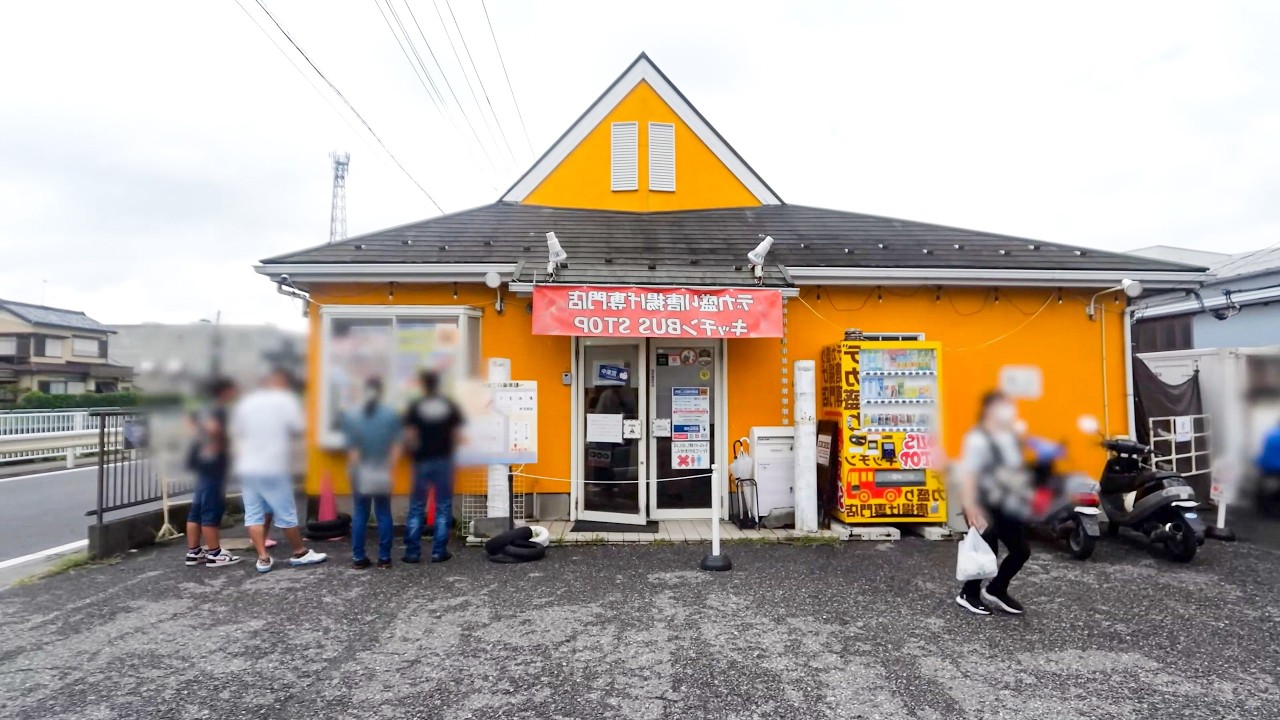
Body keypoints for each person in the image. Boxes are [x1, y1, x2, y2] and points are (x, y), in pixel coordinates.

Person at [230, 368, 327, 573]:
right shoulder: (285, 401)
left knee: (254, 513)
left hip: (248, 466)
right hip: (272, 465)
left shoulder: (246, 403)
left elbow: (237, 432)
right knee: (285, 512)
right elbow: (298, 427)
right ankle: (299, 552)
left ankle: (263, 558)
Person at [955, 390, 1032, 615]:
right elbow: (968, 473)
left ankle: (997, 589)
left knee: (1021, 550)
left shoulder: (1010, 437)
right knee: (986, 548)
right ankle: (968, 594)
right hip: (981, 502)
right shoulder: (977, 438)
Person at [402, 370, 464, 564]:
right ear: (438, 385)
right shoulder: (449, 405)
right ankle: (438, 552)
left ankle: (412, 553)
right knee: (443, 506)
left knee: (416, 507)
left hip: (421, 461)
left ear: (423, 385)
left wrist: (413, 452)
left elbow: (410, 435)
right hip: (444, 460)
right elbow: (457, 435)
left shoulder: (416, 406)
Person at [341, 377, 401, 569]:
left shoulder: (353, 415)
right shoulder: (390, 415)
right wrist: (390, 468)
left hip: (360, 471)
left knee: (360, 512)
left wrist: (356, 469)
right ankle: (385, 558)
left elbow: (353, 450)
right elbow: (396, 445)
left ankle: (359, 557)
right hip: (381, 469)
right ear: (381, 392)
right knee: (383, 512)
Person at [184, 378, 240, 567]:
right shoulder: (217, 409)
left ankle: (194, 551)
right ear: (225, 391)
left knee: (197, 508)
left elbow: (190, 426)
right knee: (211, 507)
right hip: (213, 463)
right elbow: (214, 428)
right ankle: (214, 553)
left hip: (201, 462)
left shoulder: (201, 407)